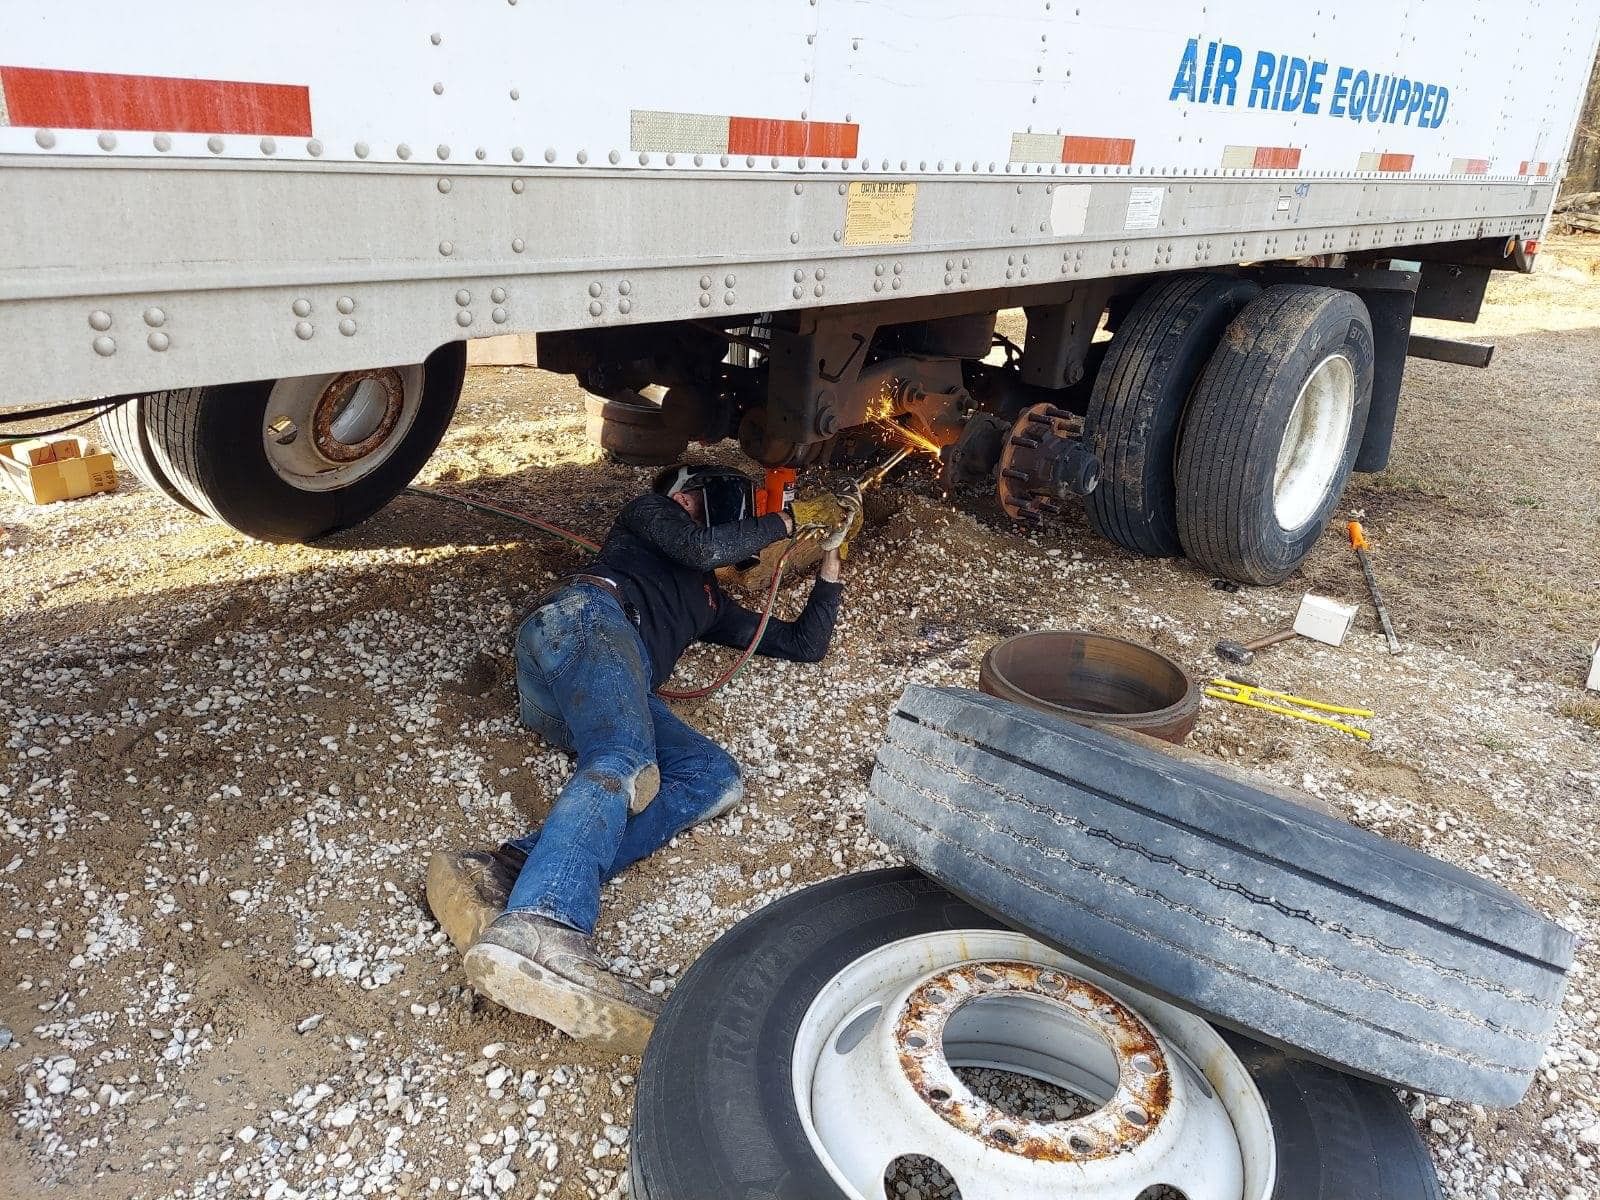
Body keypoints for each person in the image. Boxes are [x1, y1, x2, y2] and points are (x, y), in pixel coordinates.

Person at [427, 464, 858, 1053]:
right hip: (582, 625)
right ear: (691, 500)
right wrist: (790, 518)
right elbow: (699, 542)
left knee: (716, 777)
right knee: (626, 755)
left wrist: (832, 557)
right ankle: (541, 924)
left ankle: (518, 864)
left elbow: (802, 646)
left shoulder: (709, 600)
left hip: (605, 687)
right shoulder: (649, 515)